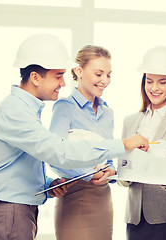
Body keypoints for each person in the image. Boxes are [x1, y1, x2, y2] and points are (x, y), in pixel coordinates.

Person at [0, 34, 149, 240]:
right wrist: (123, 144)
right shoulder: (15, 112)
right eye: (58, 76)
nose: (63, 82)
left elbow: (20, 162)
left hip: (18, 210)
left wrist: (48, 185)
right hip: (9, 211)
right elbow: (60, 152)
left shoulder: (26, 109)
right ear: (35, 77)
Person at [118, 45, 166, 240]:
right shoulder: (130, 121)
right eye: (149, 81)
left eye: (162, 82)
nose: (154, 88)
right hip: (136, 219)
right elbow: (122, 175)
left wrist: (151, 163)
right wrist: (129, 167)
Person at [49, 45, 117, 240]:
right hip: (75, 196)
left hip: (103, 198)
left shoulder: (107, 112)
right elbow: (53, 156)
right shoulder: (64, 108)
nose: (105, 80)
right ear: (79, 71)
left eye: (109, 75)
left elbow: (108, 157)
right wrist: (88, 176)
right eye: (99, 74)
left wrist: (111, 171)